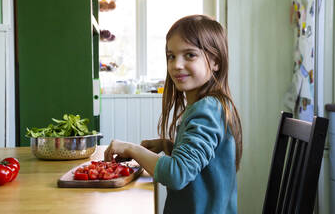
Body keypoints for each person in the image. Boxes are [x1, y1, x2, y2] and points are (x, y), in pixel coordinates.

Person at [104, 14, 243, 214]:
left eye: (190, 55)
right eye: (171, 56)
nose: (176, 65)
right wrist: (168, 146)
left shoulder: (207, 110)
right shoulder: (210, 106)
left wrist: (132, 148)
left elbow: (177, 175)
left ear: (216, 62)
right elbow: (202, 164)